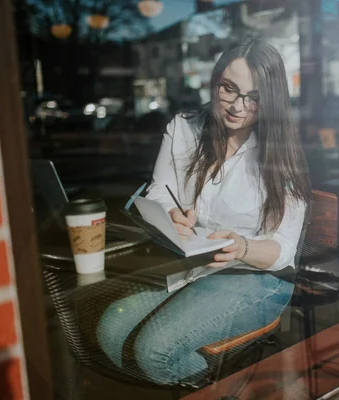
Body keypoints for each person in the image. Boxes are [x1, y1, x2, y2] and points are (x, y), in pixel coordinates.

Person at [97, 38, 310, 385]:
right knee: (110, 334)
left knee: (153, 352)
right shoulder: (185, 127)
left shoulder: (280, 151)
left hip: (255, 275)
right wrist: (172, 217)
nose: (238, 107)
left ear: (269, 100)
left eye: (254, 98)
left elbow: (283, 250)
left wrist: (240, 247)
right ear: (215, 82)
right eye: (228, 89)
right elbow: (160, 195)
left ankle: (224, 388)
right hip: (191, 263)